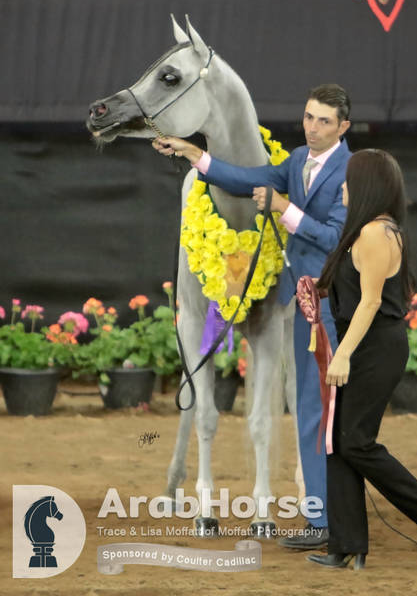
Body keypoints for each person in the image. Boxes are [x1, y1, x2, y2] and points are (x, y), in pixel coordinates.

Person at [153, 84, 352, 549]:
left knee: (332, 415)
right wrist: (193, 156)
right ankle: (319, 518)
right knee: (307, 411)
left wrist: (283, 209)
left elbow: (332, 236)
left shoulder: (350, 171)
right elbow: (244, 178)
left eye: (324, 121)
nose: (312, 127)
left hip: (332, 303)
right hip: (301, 302)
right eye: (308, 117)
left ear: (343, 126)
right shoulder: (297, 161)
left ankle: (345, 511)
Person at [307, 149, 417, 569]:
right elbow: (356, 290)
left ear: (366, 185)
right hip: (365, 343)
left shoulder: (376, 233)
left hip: (374, 347)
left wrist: (341, 354)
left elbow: (373, 301)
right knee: (340, 442)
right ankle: (346, 545)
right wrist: (322, 289)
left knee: (355, 441)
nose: (342, 187)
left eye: (348, 180)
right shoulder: (364, 231)